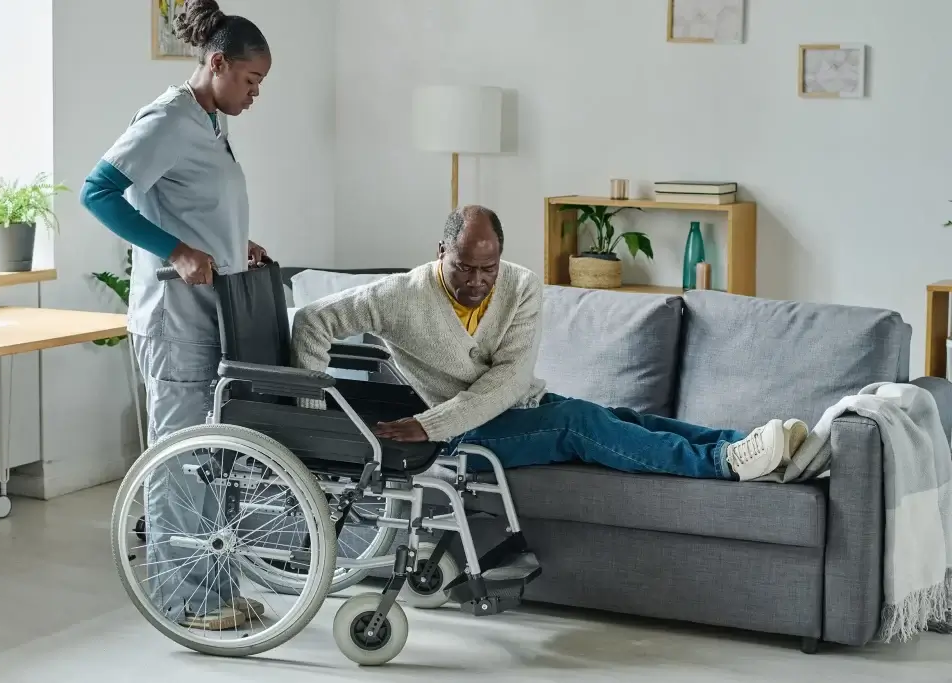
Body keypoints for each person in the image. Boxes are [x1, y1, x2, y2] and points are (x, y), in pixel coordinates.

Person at [291, 205, 808, 482]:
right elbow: (312, 321)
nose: (476, 280)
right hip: (451, 439)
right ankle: (727, 463)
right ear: (440, 251)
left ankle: (751, 445)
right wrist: (314, 415)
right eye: (463, 267)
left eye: (486, 268)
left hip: (504, 409)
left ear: (502, 258)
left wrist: (429, 421)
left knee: (623, 419)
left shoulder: (520, 285)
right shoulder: (399, 296)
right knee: (578, 424)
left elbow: (511, 379)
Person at [80, 0, 270, 630]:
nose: (254, 96)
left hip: (210, 314)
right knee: (180, 457)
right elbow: (97, 191)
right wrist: (177, 251)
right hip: (173, 318)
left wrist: (230, 241)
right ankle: (182, 600)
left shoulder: (210, 121)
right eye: (249, 80)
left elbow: (193, 201)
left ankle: (215, 589)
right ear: (216, 64)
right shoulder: (166, 119)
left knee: (210, 456)